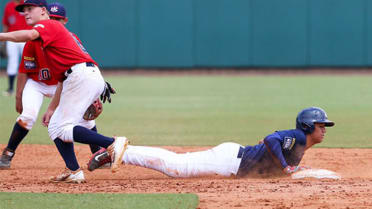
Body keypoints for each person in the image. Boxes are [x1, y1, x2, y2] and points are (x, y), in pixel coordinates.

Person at [0, 0, 127, 183]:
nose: (26, 13)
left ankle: (112, 144)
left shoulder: (47, 24)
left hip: (81, 76)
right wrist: (51, 108)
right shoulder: (51, 41)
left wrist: (1, 36)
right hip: (80, 76)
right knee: (55, 126)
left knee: (62, 127)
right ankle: (73, 171)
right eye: (24, 10)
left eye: (30, 9)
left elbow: (29, 34)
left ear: (43, 11)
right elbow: (61, 79)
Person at [87, 107, 335, 178]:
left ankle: (122, 151)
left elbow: (272, 142)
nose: (324, 129)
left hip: (233, 158)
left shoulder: (299, 142)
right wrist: (285, 167)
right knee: (177, 168)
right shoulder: (300, 137)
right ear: (307, 126)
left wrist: (291, 167)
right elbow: (271, 139)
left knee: (178, 166)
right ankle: (121, 150)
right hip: (229, 160)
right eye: (321, 125)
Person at [2, 0, 30, 96]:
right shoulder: (9, 5)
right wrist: (3, 42)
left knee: (29, 63)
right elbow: (6, 24)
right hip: (12, 38)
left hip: (26, 37)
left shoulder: (26, 3)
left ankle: (30, 88)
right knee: (12, 62)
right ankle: (10, 89)